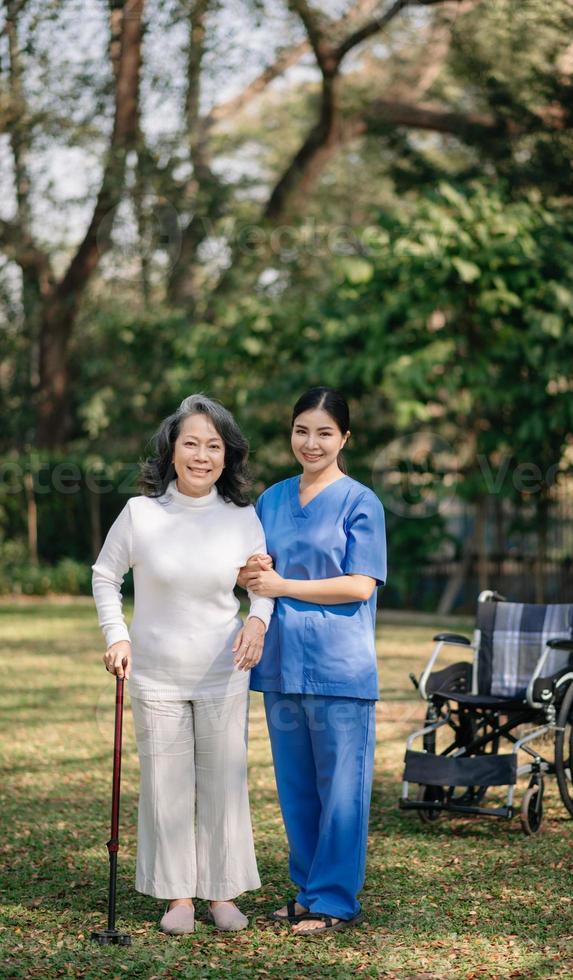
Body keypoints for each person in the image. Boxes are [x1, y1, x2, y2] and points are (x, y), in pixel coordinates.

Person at [92, 394, 273, 936]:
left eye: (213, 445)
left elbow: (261, 584)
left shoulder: (243, 517)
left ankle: (221, 894)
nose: (202, 455)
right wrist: (116, 635)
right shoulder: (140, 514)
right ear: (171, 451)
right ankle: (178, 899)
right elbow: (106, 575)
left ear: (227, 455)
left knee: (223, 782)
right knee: (167, 785)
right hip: (155, 676)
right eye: (191, 443)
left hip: (224, 671)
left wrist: (258, 621)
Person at [238, 386, 387, 937]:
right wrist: (247, 575)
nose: (311, 442)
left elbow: (360, 584)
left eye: (324, 432)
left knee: (342, 788)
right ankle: (306, 891)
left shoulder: (360, 502)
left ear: (344, 438)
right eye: (302, 430)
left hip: (340, 670)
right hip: (280, 663)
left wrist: (281, 584)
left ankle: (333, 899)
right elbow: (251, 569)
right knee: (296, 785)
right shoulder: (271, 500)